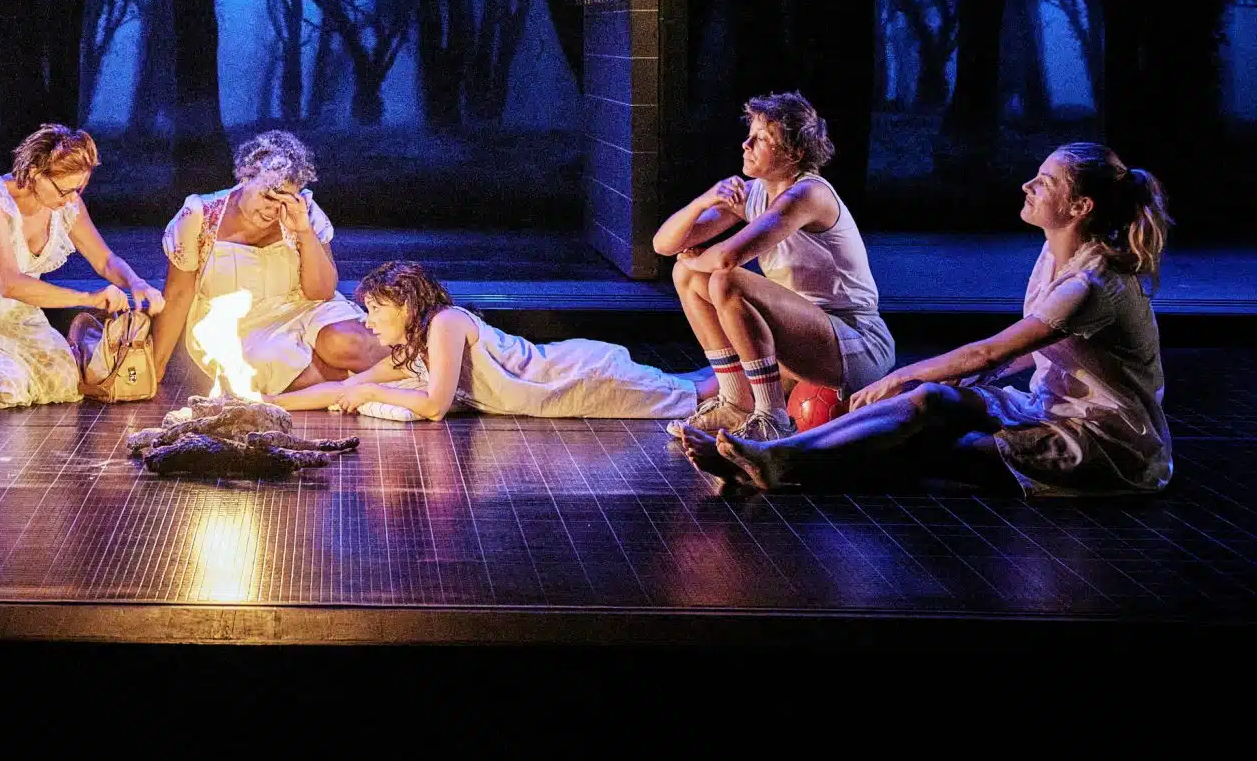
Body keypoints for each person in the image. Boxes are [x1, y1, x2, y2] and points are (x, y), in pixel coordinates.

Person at [682, 143, 1174, 498]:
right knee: (930, 401)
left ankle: (777, 463)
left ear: (1080, 207)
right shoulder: (1056, 255)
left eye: (1044, 183)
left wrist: (899, 377)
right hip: (1047, 408)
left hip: (1103, 444)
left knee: (924, 450)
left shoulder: (1092, 284)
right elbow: (1032, 353)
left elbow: (990, 352)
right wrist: (938, 384)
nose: (1028, 185)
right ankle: (777, 455)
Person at [652, 91, 894, 443]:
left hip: (855, 343)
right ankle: (735, 403)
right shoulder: (754, 193)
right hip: (804, 331)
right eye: (749, 134)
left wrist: (693, 256)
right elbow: (663, 244)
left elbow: (727, 258)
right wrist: (705, 200)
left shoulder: (807, 194)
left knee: (724, 280)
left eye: (762, 139)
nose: (746, 144)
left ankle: (771, 416)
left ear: (793, 153)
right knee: (686, 275)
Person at [269, 260, 711, 420]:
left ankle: (757, 369)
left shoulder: (444, 324)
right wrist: (266, 403)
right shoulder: (414, 350)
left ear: (404, 306)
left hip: (578, 376)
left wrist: (371, 391)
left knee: (700, 392)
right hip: (564, 383)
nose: (367, 323)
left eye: (374, 310)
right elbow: (344, 387)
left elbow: (433, 407)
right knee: (700, 385)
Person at [0, 124, 164, 408]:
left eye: (79, 189)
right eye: (65, 190)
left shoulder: (66, 205)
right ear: (35, 173)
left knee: (65, 383)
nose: (72, 199)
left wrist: (137, 283)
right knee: (4, 387)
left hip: (18, 318)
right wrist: (89, 298)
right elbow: (9, 283)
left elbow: (105, 260)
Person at [151, 130, 384, 395]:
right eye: (268, 196)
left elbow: (321, 292)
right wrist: (156, 366)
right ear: (245, 176)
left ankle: (404, 367)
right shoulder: (201, 215)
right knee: (270, 369)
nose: (273, 210)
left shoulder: (304, 210)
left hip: (304, 307)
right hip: (242, 327)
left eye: (284, 199)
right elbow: (178, 294)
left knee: (345, 342)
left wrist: (304, 232)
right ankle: (377, 380)